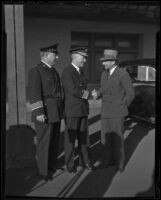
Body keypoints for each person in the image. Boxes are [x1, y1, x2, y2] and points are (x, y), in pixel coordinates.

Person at [92, 49, 135, 172]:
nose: (103, 63)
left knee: (118, 139)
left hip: (117, 112)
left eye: (105, 61)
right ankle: (107, 160)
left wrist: (122, 105)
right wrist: (97, 94)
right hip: (106, 111)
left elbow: (130, 94)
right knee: (106, 139)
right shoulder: (104, 73)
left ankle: (120, 164)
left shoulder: (123, 74)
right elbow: (103, 88)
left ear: (113, 61)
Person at [28, 43, 64, 180]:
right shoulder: (36, 71)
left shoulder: (53, 70)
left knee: (54, 141)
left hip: (55, 111)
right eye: (55, 54)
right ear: (47, 55)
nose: (57, 57)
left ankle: (52, 165)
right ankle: (43, 171)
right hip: (45, 112)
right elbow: (34, 93)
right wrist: (39, 112)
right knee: (44, 143)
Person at [61, 47, 94, 173]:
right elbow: (72, 90)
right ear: (74, 56)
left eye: (85, 57)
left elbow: (81, 88)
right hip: (72, 111)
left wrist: (87, 93)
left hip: (83, 110)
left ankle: (85, 161)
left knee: (84, 138)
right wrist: (88, 94)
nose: (84, 60)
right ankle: (70, 165)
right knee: (70, 140)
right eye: (83, 57)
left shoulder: (80, 71)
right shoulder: (67, 71)